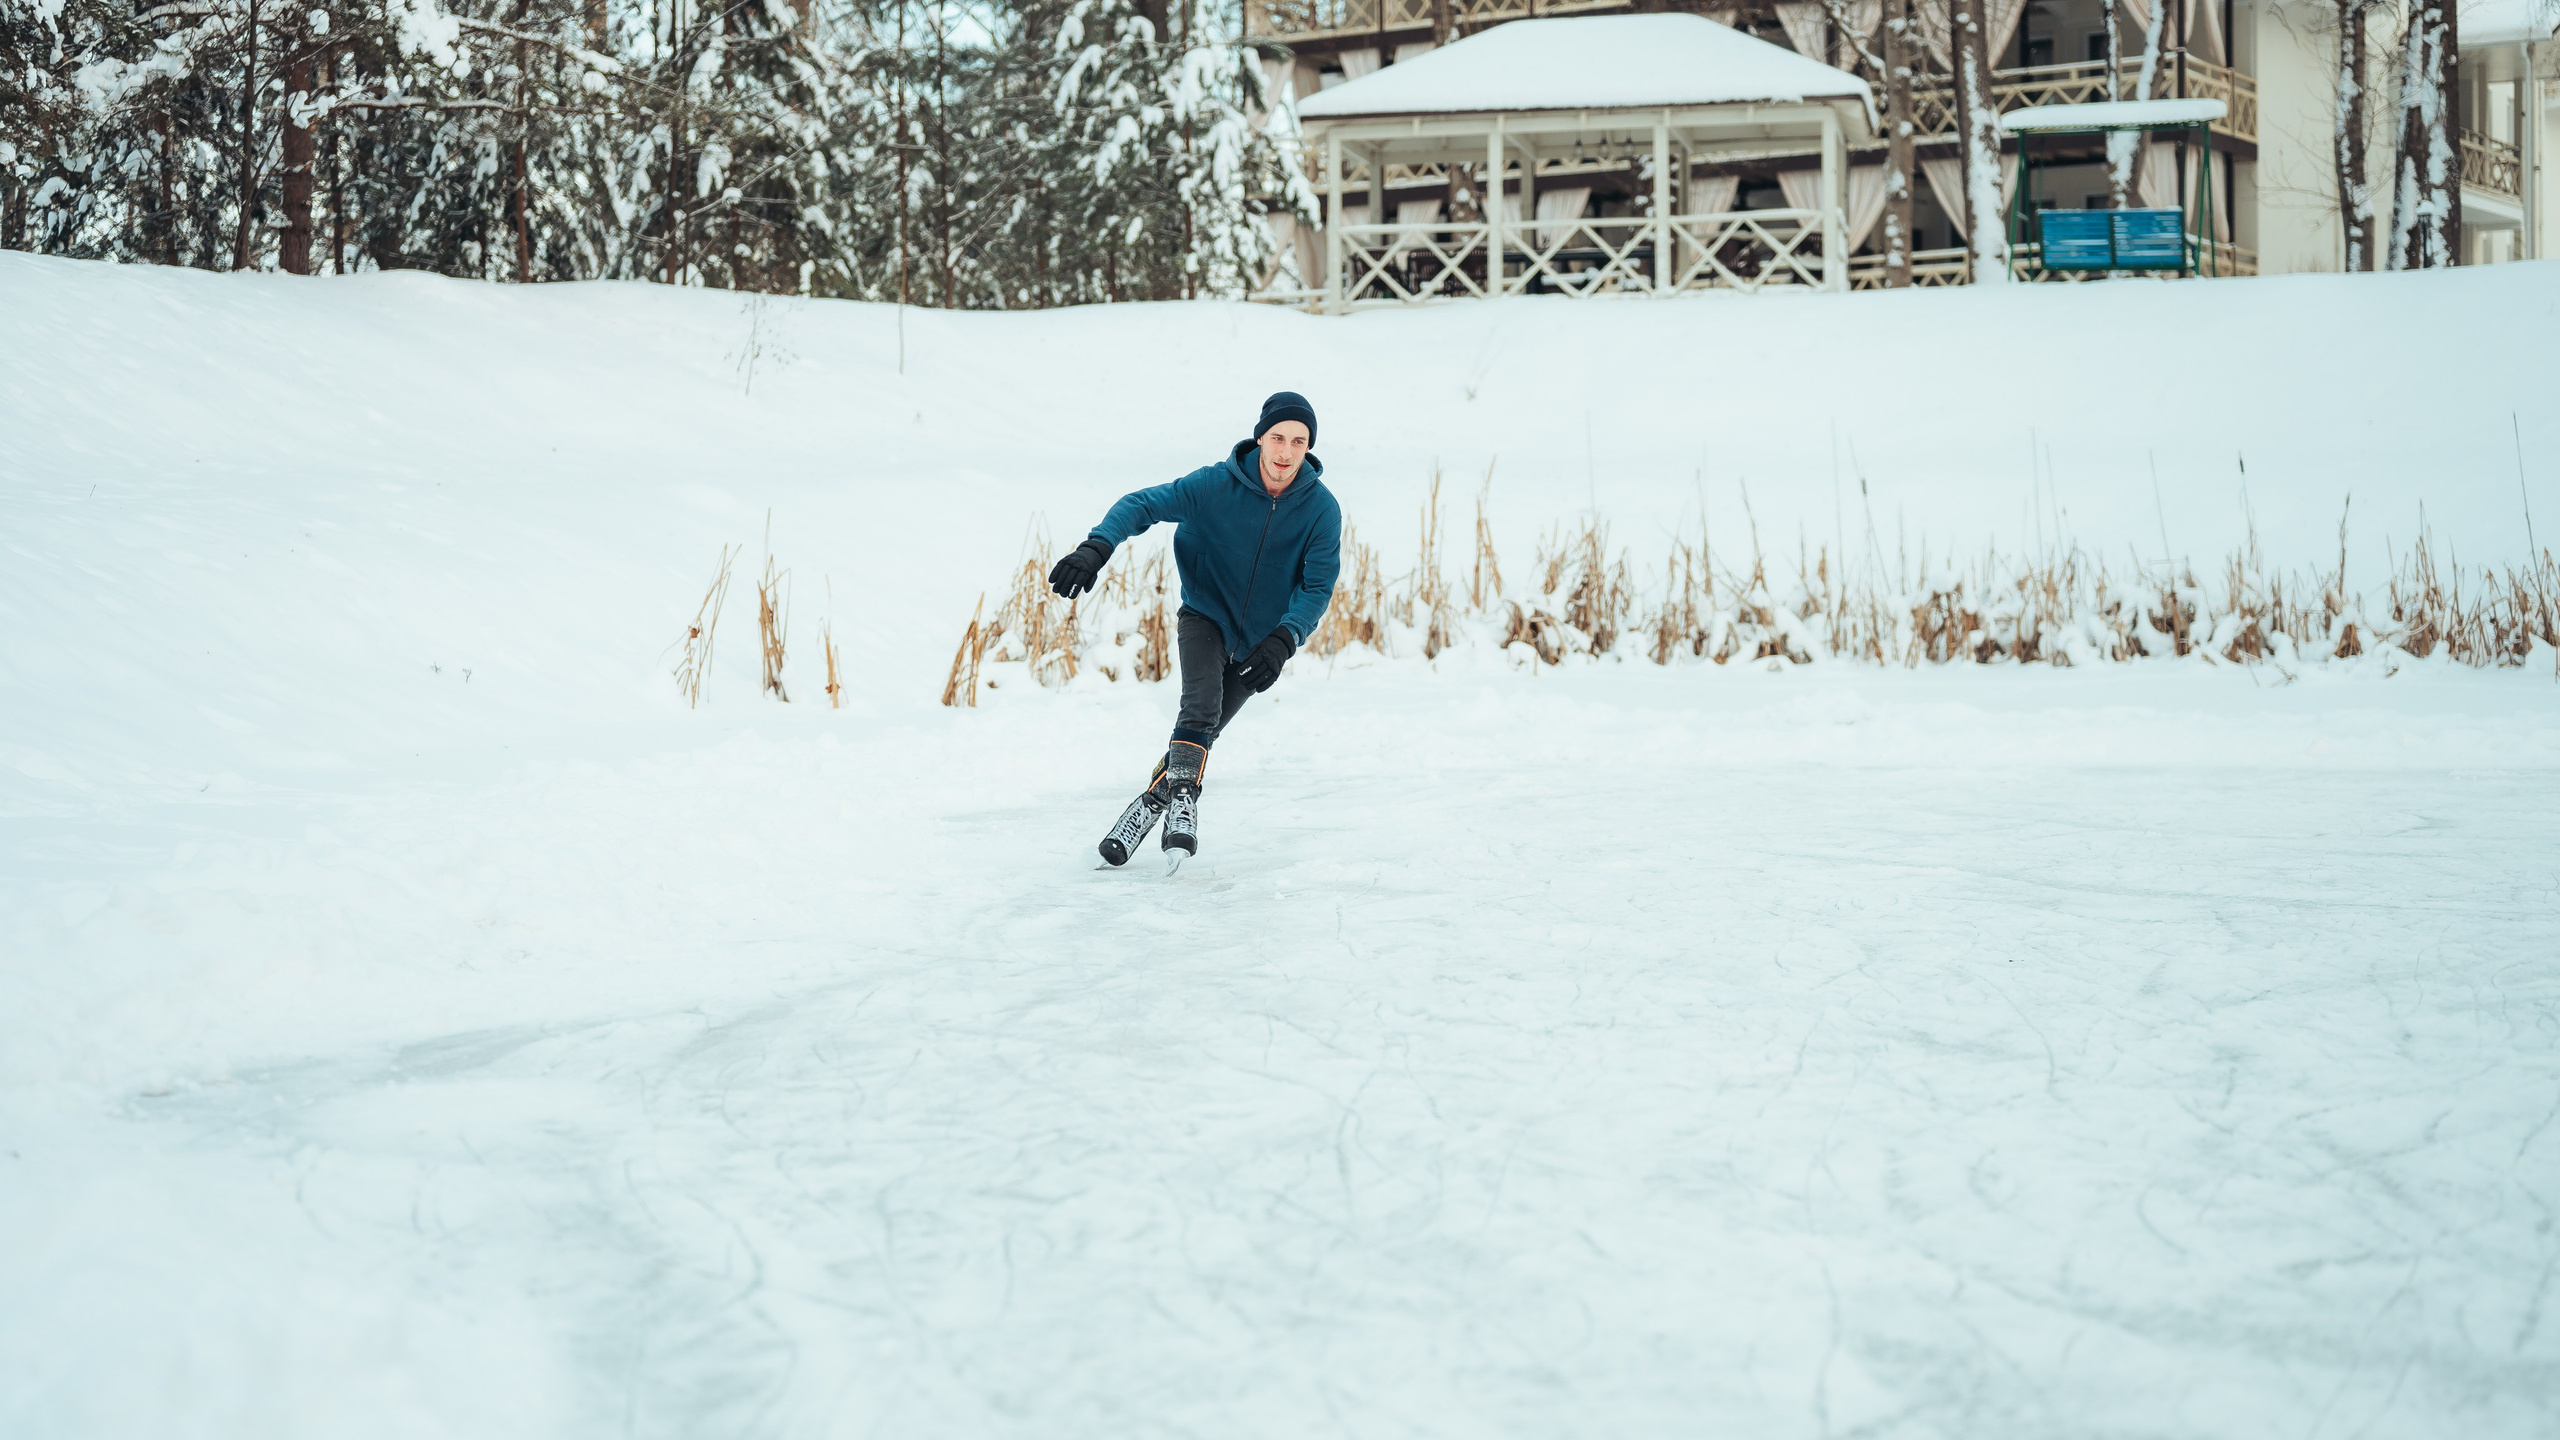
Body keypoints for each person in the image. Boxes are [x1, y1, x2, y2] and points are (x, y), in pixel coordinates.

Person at [1048, 391, 1342, 868]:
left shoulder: (1321, 510)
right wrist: (1096, 548)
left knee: (1203, 732)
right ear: (1260, 438)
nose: (1286, 452)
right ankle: (1184, 804)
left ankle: (1146, 807)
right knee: (1199, 707)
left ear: (1309, 447)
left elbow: (1318, 585)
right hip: (1204, 615)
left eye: (1299, 441)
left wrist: (1284, 639)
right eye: (1278, 438)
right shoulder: (1213, 486)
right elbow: (1141, 504)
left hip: (1263, 641)